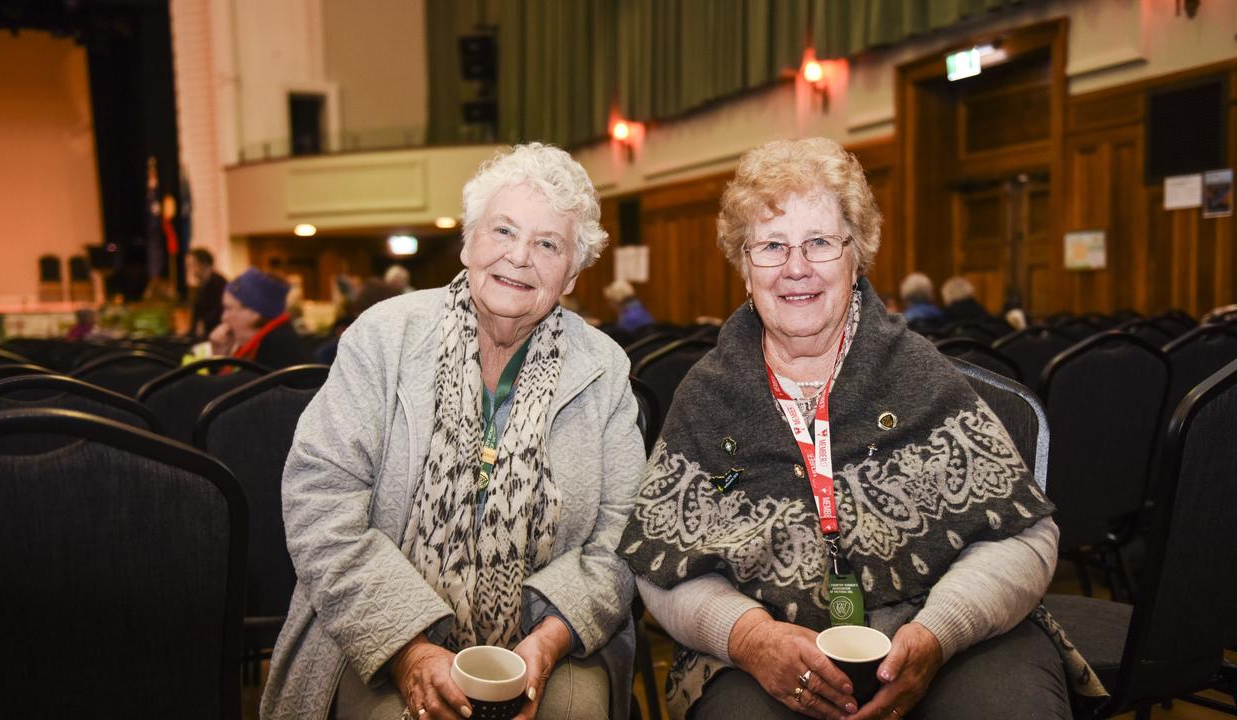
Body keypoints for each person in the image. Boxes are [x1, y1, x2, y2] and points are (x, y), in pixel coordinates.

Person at [617, 138, 1102, 720]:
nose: (796, 268)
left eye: (819, 242)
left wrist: (936, 634)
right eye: (772, 246)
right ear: (745, 269)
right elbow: (660, 564)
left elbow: (1024, 537)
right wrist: (748, 637)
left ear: (856, 256)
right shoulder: (706, 397)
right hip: (769, 648)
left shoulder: (922, 376)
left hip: (940, 631)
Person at [261, 143, 644, 720]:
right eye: (503, 231)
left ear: (571, 273)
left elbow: (623, 530)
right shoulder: (383, 338)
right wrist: (409, 651)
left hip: (547, 640)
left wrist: (551, 639)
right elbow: (321, 502)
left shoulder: (604, 367)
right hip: (379, 632)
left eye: (547, 244)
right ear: (468, 243)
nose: (518, 257)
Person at [209, 268, 310, 369]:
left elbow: (235, 384)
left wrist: (218, 362)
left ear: (254, 312)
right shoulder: (274, 338)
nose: (223, 318)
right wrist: (221, 356)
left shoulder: (275, 349)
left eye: (229, 308)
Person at [186, 248, 227, 337]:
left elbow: (221, 308)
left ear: (202, 264)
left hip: (215, 335)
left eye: (192, 265)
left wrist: (204, 322)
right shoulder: (201, 284)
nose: (190, 269)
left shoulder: (218, 282)